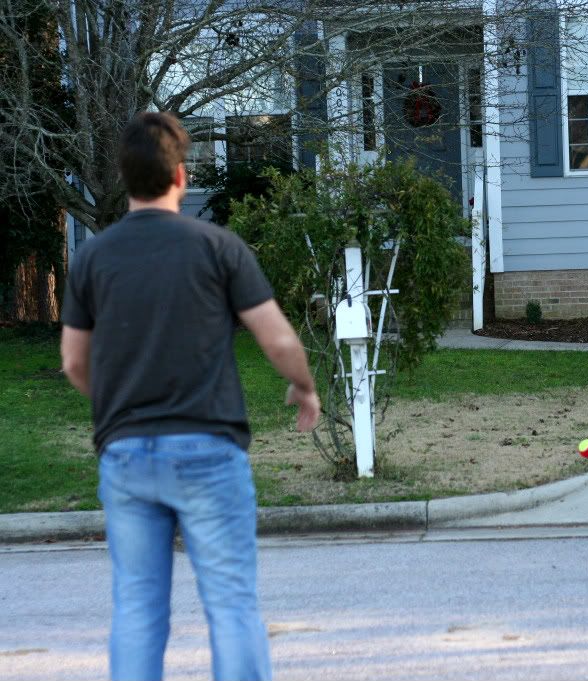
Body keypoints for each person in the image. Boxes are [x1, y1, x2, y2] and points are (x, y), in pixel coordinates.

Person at [60, 111, 320, 681]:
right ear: (181, 176)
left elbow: (75, 363)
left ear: (126, 179)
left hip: (126, 453)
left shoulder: (91, 259)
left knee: (137, 607)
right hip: (207, 447)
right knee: (230, 603)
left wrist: (118, 406)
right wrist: (304, 386)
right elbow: (276, 337)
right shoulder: (218, 247)